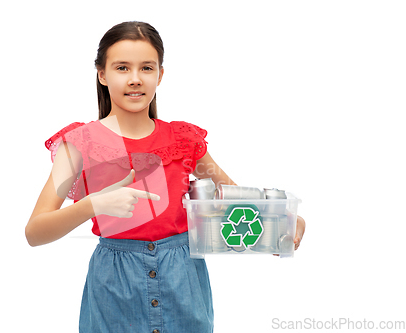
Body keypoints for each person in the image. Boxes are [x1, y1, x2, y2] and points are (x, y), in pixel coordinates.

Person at [25, 21, 306, 333]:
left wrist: (283, 219)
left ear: (160, 74)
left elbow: (234, 198)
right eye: (122, 68)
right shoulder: (79, 144)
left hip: (183, 283)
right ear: (102, 74)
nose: (135, 79)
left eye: (146, 68)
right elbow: (35, 233)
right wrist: (94, 204)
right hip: (114, 288)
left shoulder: (183, 140)